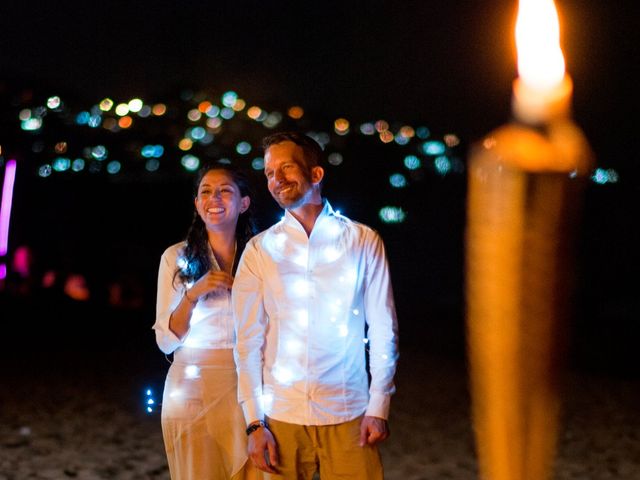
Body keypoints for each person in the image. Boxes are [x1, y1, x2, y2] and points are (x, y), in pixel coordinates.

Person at [233, 132, 399, 479]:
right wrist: (254, 423)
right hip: (281, 418)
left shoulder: (362, 240)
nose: (276, 180)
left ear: (316, 174)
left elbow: (383, 327)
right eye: (268, 173)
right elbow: (247, 342)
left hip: (350, 414)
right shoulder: (259, 251)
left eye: (287, 168)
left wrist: (379, 405)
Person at [153, 163, 261, 480]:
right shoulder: (176, 258)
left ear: (244, 203)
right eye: (206, 191)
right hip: (191, 387)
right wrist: (192, 295)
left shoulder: (261, 255)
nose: (214, 198)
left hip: (249, 383)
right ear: (198, 204)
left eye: (225, 190)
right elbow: (165, 341)